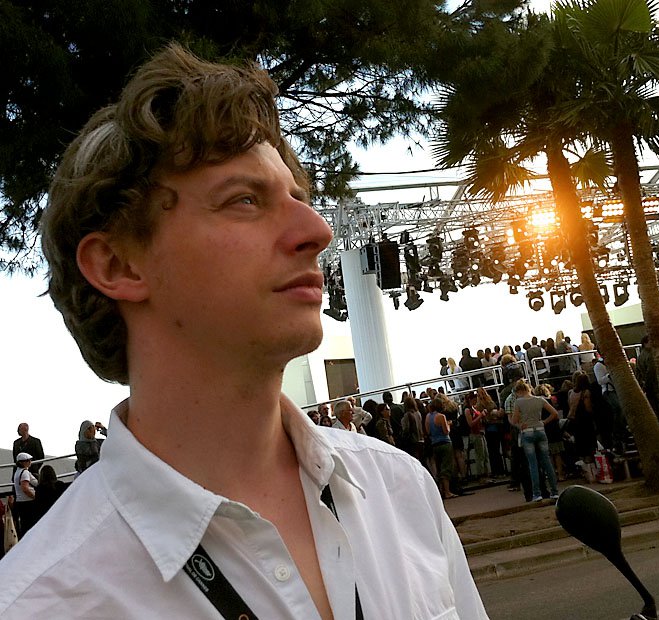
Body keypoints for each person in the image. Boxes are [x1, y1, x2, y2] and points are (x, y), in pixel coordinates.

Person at [0, 45, 488, 619]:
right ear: (119, 266)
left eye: (299, 199)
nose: (316, 230)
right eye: (245, 201)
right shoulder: (44, 601)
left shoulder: (399, 491)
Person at [511, 380, 560, 502]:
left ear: (520, 391)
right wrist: (544, 422)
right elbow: (554, 413)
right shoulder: (540, 399)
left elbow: (514, 420)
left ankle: (537, 493)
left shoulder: (519, 402)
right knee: (547, 462)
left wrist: (520, 424)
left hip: (527, 431)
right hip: (540, 429)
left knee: (533, 464)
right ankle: (554, 491)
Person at [11, 453, 38, 539]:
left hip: (20, 501)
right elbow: (25, 488)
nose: (30, 462)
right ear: (23, 462)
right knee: (30, 524)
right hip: (27, 502)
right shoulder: (25, 472)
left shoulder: (17, 472)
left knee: (24, 524)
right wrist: (35, 497)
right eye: (28, 460)